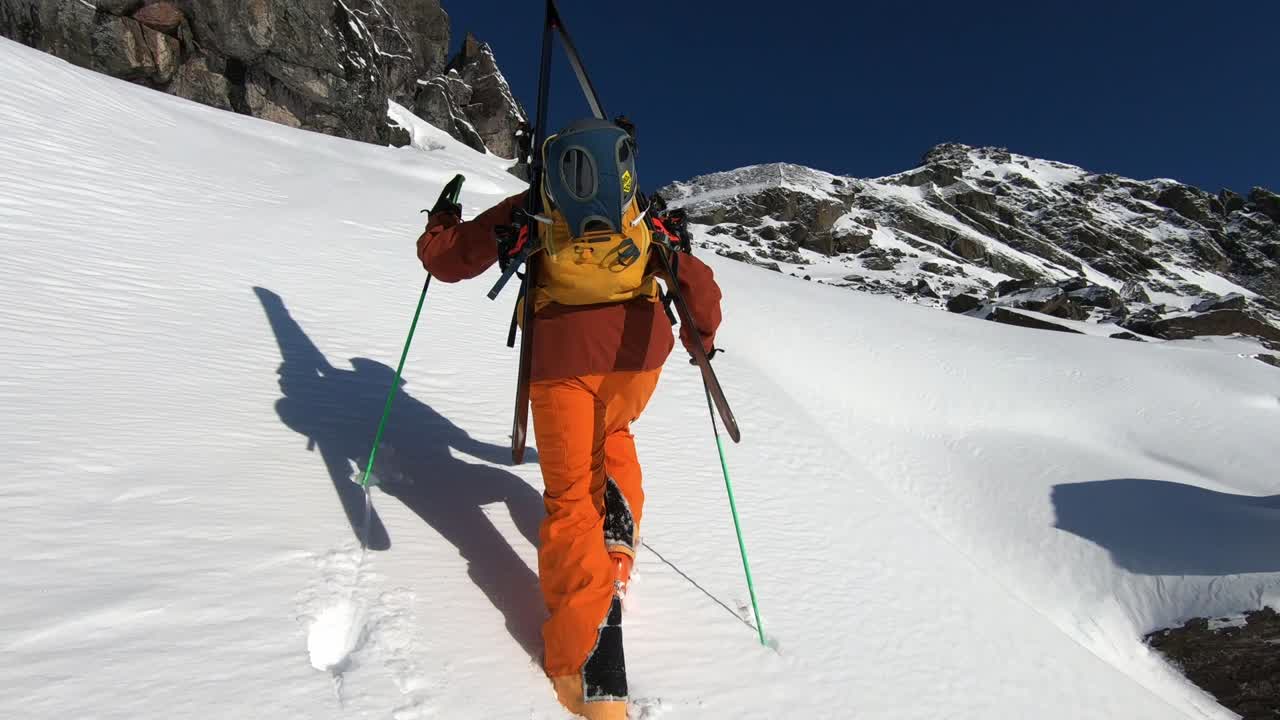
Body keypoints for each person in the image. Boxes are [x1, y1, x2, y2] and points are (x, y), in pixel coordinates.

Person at [414, 118, 723, 719]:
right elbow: (697, 284)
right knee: (615, 432)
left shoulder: (535, 206)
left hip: (561, 360)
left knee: (571, 499)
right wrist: (702, 341)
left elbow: (448, 262)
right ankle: (617, 557)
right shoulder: (637, 208)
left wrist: (440, 223)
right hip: (639, 356)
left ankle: (587, 667)